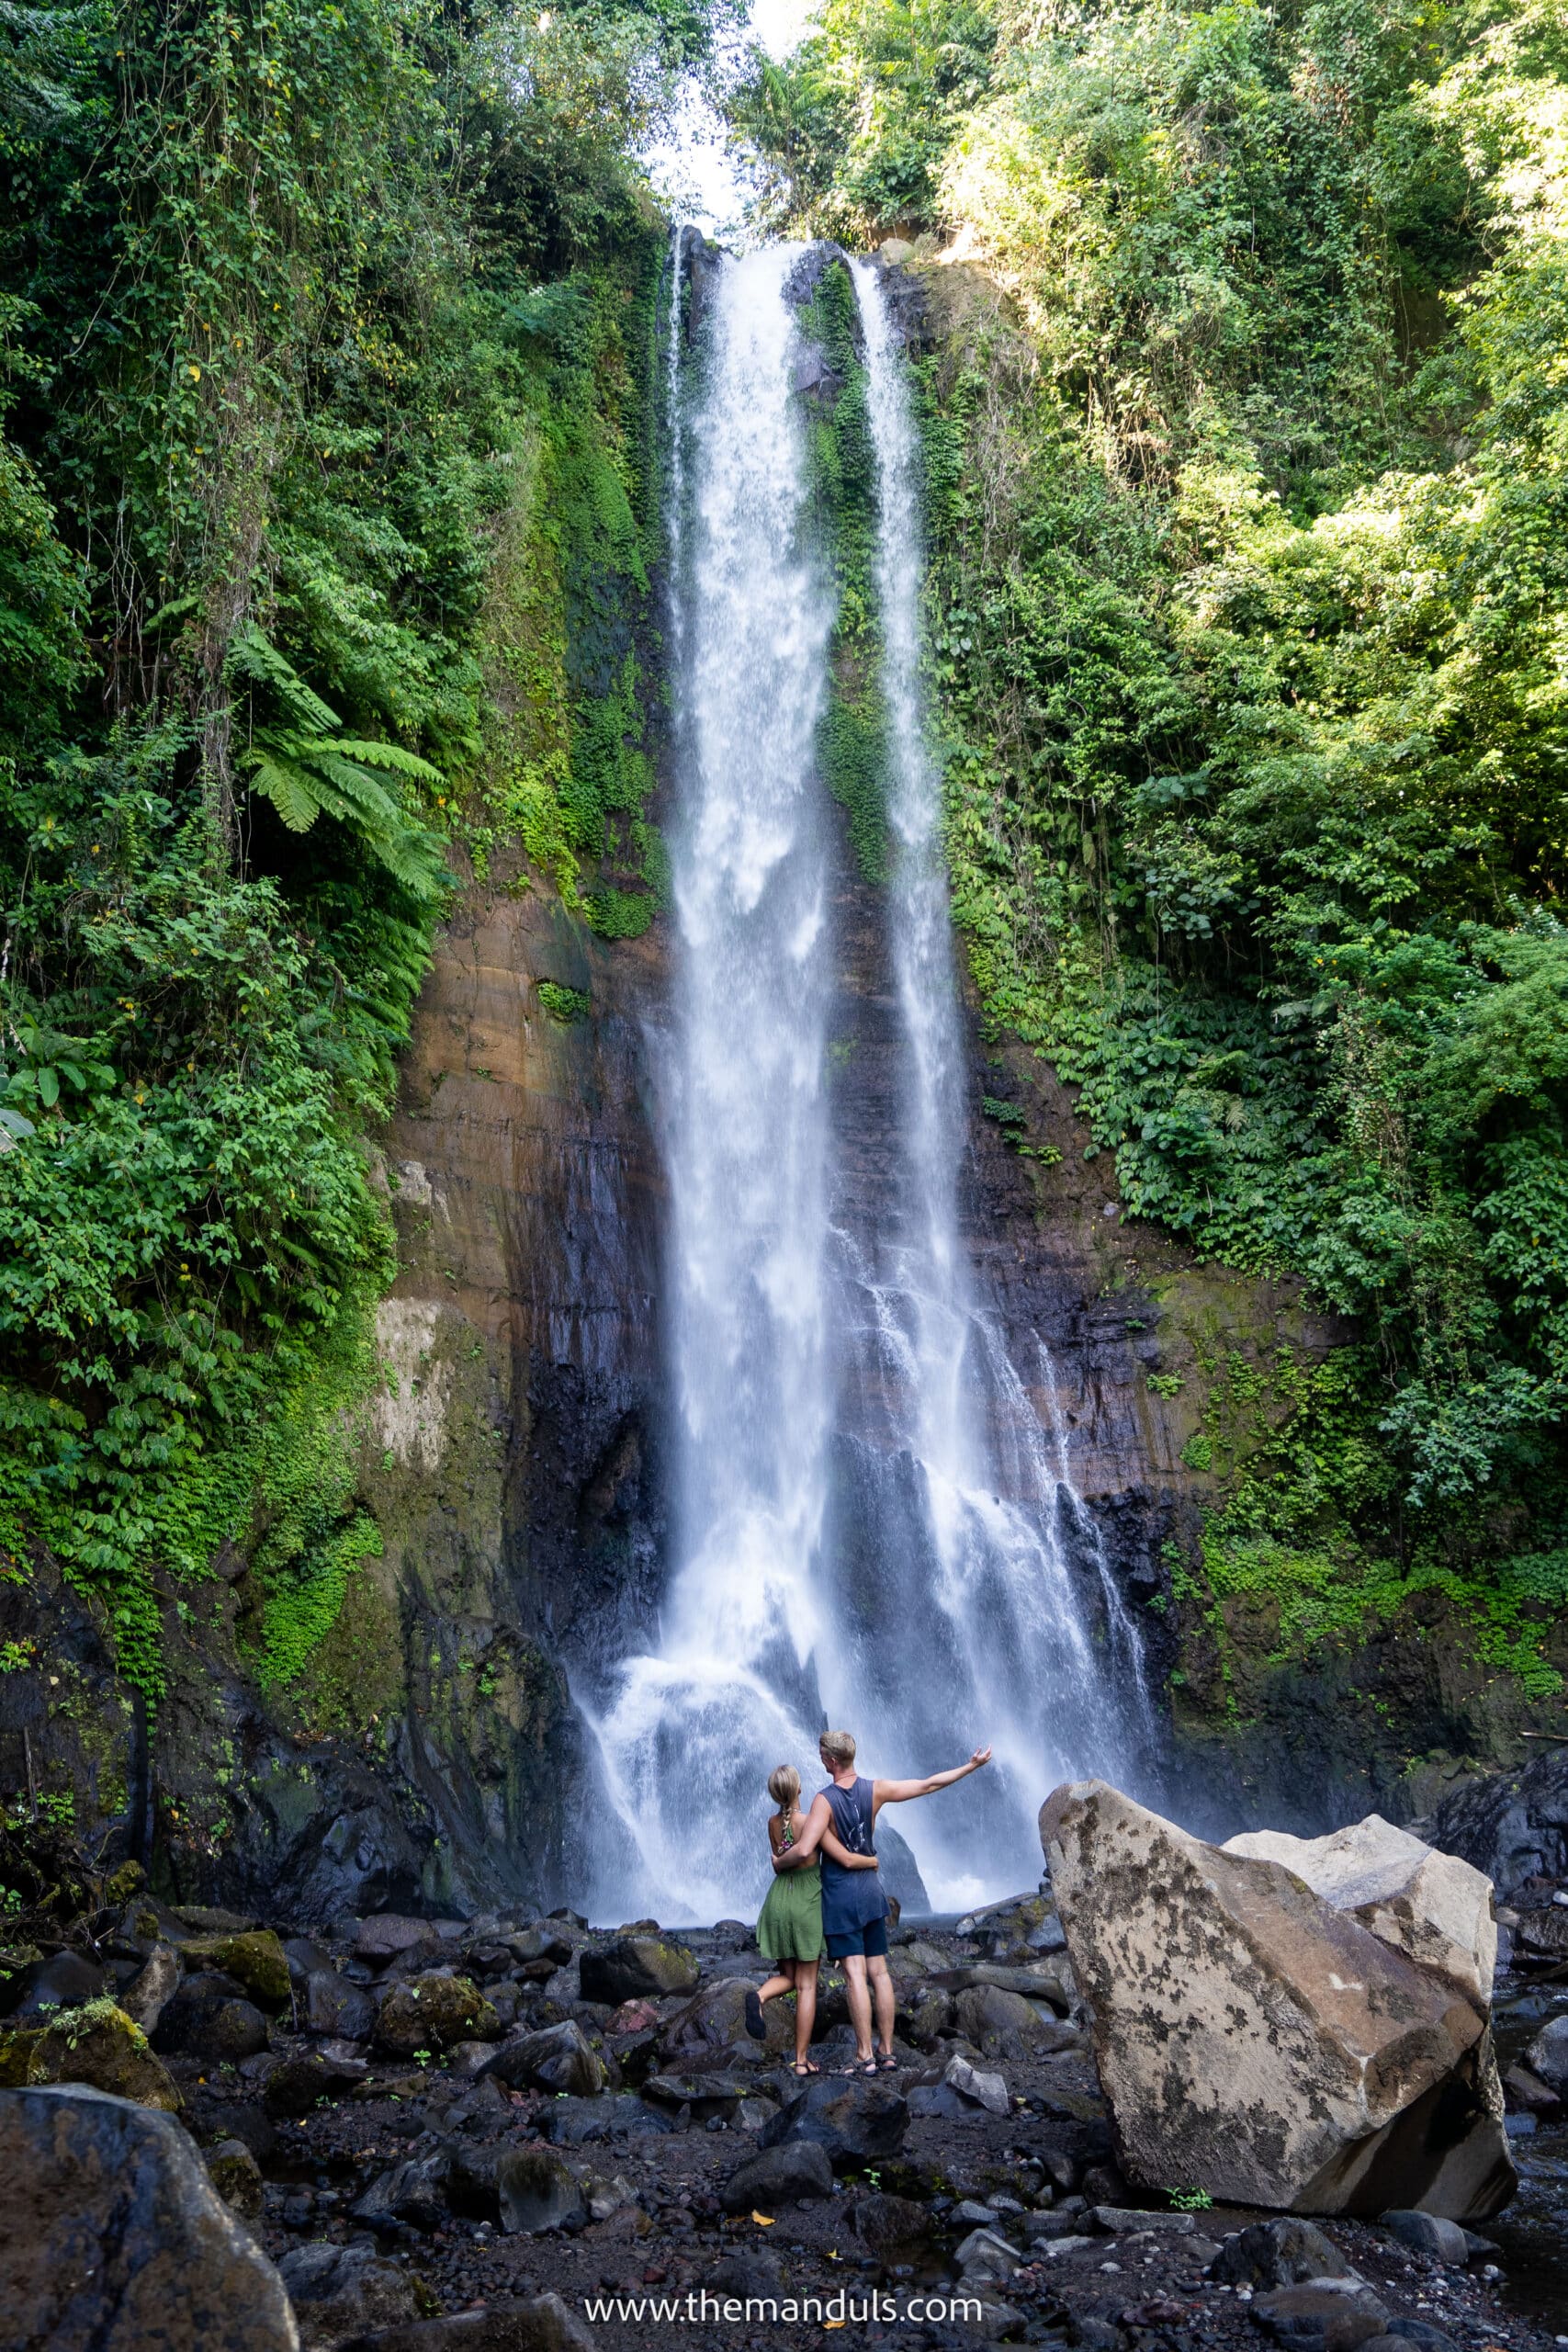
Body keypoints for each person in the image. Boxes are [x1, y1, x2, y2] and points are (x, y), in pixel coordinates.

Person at [775, 1729, 991, 2075]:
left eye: (822, 1756)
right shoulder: (875, 1790)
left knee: (855, 1975)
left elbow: (803, 1849)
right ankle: (887, 2051)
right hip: (872, 1891)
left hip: (842, 1896)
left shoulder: (823, 1801)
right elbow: (927, 1785)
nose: (820, 1760)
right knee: (880, 1972)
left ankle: (864, 2054)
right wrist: (969, 1767)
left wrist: (778, 1862)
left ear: (831, 1761)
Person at [746, 1762, 882, 2076]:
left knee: (791, 1978)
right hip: (805, 1900)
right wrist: (871, 1861)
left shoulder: (771, 1823)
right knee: (806, 1987)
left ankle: (760, 1994)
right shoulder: (811, 1821)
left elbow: (779, 1864)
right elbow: (842, 1857)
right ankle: (802, 2060)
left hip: (778, 1901)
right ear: (799, 1789)